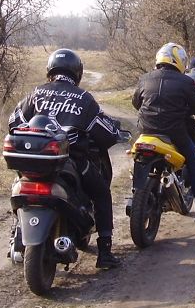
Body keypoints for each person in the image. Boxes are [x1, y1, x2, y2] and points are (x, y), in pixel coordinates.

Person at [8, 48, 122, 269]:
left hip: (33, 162)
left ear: (50, 70)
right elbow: (105, 133)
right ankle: (105, 252)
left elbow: (13, 122)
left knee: (17, 187)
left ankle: (16, 234)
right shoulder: (83, 98)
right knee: (101, 193)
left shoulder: (36, 93)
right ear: (77, 72)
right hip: (71, 162)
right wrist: (115, 132)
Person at [132, 42, 195, 231]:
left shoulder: (145, 78)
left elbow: (136, 103)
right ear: (179, 61)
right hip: (174, 133)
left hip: (145, 131)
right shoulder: (185, 82)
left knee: (137, 159)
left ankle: (135, 191)